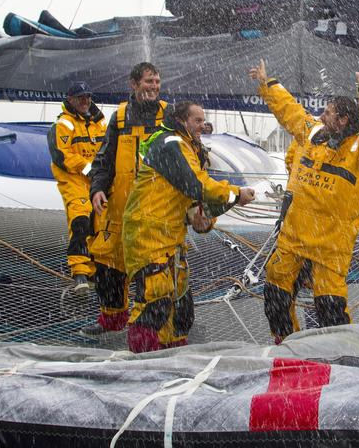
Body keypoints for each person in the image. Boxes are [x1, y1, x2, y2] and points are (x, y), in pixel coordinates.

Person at [249, 59, 359, 342]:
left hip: (331, 247)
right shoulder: (313, 133)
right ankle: (288, 347)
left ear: (343, 121)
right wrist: (267, 84)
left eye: (328, 113)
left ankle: (337, 360)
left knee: (330, 310)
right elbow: (290, 112)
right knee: (274, 295)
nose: (321, 116)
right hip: (294, 237)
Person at [122, 101, 255, 352]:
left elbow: (193, 197)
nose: (202, 126)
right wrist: (236, 194)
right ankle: (140, 363)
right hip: (148, 236)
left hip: (171, 238)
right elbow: (197, 186)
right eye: (197, 120)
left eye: (204, 121)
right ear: (182, 121)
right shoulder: (170, 144)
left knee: (182, 310)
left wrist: (203, 217)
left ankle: (172, 356)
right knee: (155, 304)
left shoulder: (189, 149)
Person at [85, 62, 167, 336]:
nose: (154, 86)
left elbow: (188, 158)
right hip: (118, 210)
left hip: (154, 212)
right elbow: (104, 160)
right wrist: (97, 188)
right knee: (108, 267)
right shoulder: (119, 118)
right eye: (148, 81)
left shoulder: (169, 117)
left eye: (156, 81)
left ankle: (149, 329)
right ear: (133, 84)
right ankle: (111, 320)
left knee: (153, 271)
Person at [47, 81, 107, 292]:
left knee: (100, 226)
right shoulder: (63, 124)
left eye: (88, 96)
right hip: (74, 181)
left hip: (96, 182)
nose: (85, 101)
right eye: (81, 97)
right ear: (70, 100)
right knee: (81, 220)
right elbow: (62, 155)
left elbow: (108, 149)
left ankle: (95, 270)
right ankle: (80, 272)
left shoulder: (100, 124)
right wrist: (89, 168)